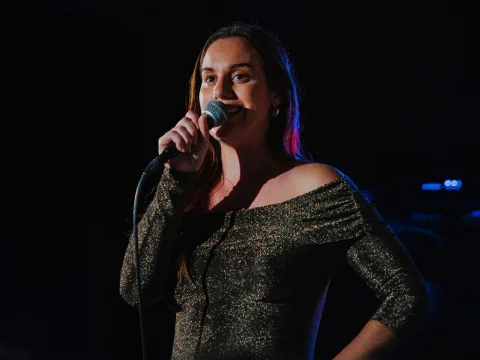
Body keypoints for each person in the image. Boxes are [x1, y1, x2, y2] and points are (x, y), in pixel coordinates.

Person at [119, 21, 429, 360]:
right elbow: (135, 290)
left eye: (240, 76)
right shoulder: (188, 193)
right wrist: (174, 181)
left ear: (275, 94)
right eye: (209, 78)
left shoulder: (314, 186)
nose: (220, 91)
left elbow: (406, 296)